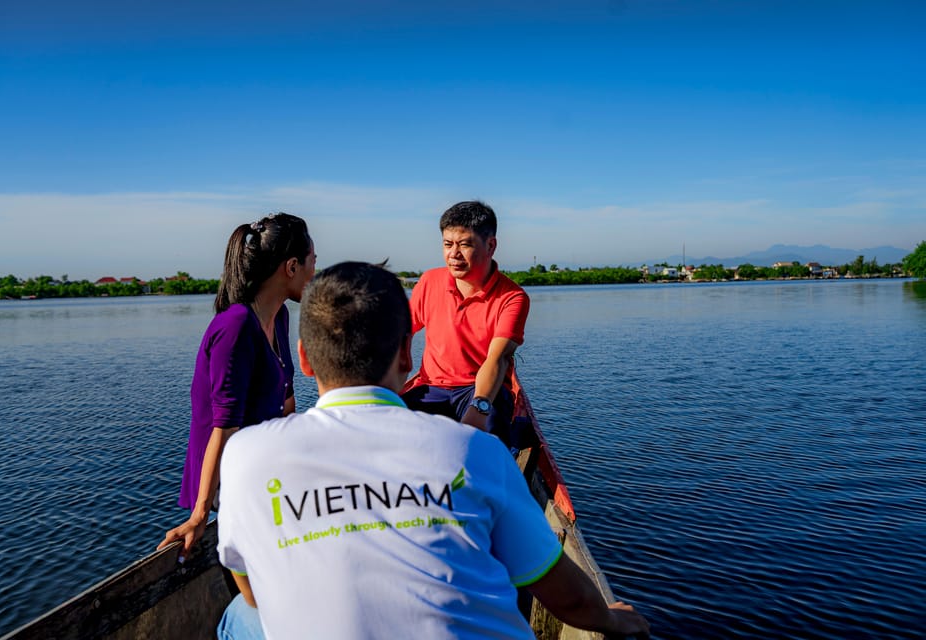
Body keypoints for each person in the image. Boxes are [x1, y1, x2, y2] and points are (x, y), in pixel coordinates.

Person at [215, 261, 649, 639]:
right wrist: (610, 620)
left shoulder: (244, 456)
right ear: (406, 354)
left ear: (305, 358)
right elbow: (571, 600)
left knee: (239, 615)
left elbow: (252, 588)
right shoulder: (475, 452)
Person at [158, 212, 316, 558]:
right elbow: (223, 427)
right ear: (291, 267)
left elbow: (286, 404)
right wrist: (199, 515)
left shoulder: (279, 316)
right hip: (226, 479)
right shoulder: (236, 327)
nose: (314, 274)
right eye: (311, 263)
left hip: (263, 465)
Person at [402, 200, 527, 446]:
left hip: (478, 389)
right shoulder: (429, 281)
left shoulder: (512, 298)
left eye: (465, 244)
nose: (453, 254)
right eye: (448, 244)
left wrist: (478, 409)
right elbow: (400, 333)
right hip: (431, 387)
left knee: (486, 439)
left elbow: (497, 359)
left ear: (490, 245)